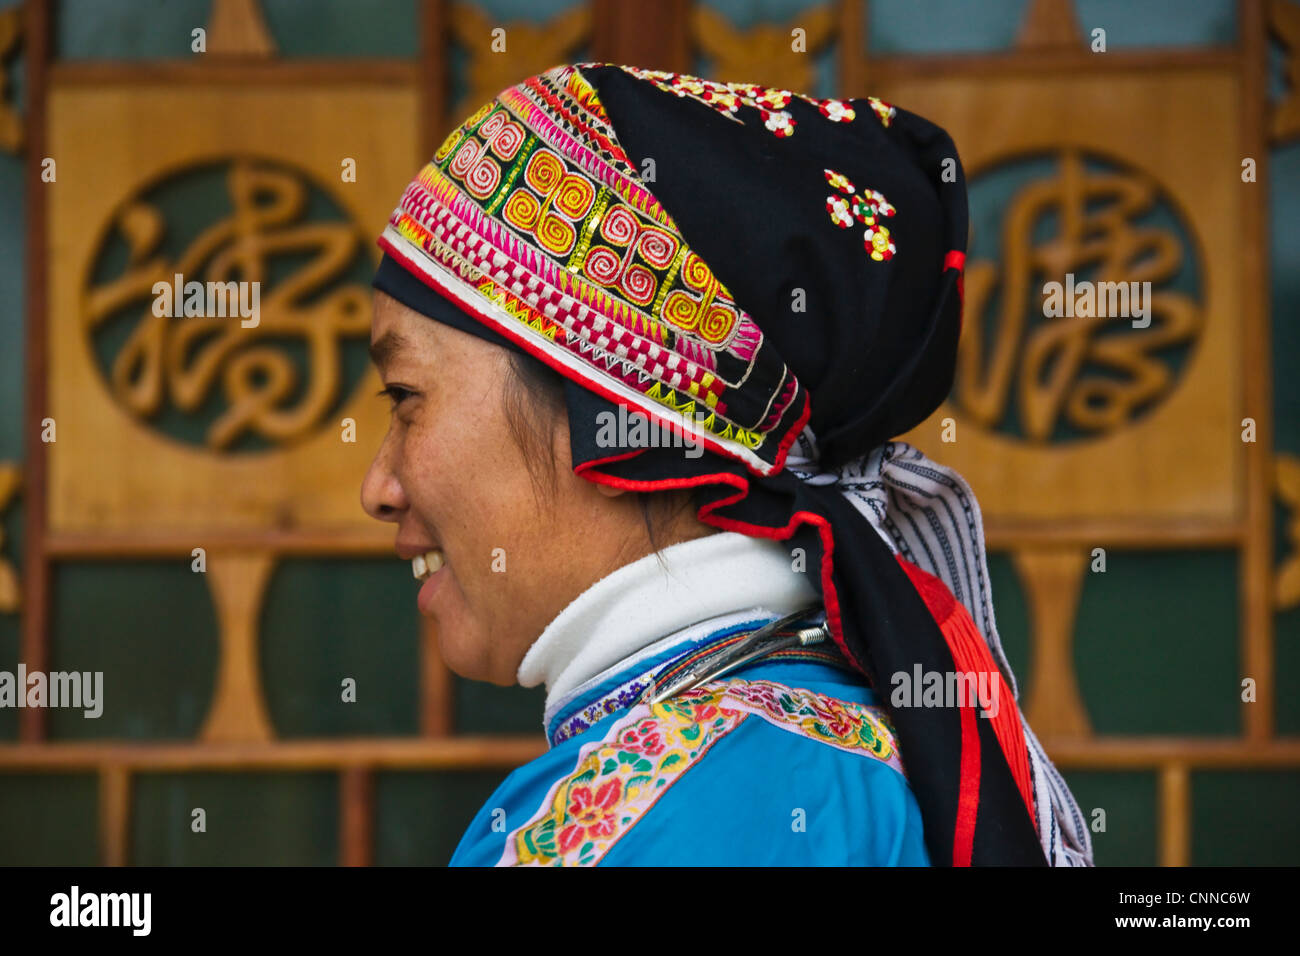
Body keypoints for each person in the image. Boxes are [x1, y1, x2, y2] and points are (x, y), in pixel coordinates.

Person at [361, 62, 1093, 866]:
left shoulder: (679, 815)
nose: (378, 488)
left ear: (607, 402)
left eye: (404, 397)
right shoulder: (828, 758)